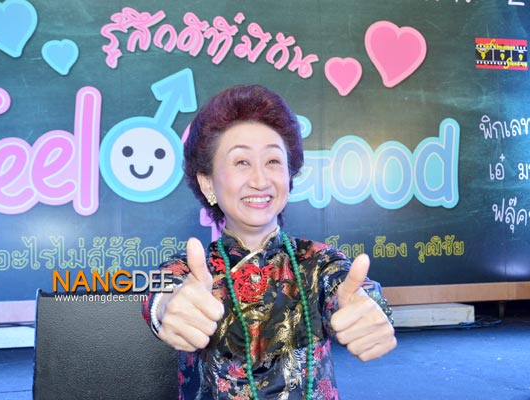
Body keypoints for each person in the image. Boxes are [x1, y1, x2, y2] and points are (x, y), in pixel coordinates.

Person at [142, 84, 397, 399]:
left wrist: (370, 309)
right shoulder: (186, 269)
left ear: (289, 174)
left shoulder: (320, 262)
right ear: (207, 182)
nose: (260, 180)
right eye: (241, 162)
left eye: (273, 161)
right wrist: (167, 306)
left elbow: (351, 289)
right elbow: (160, 291)